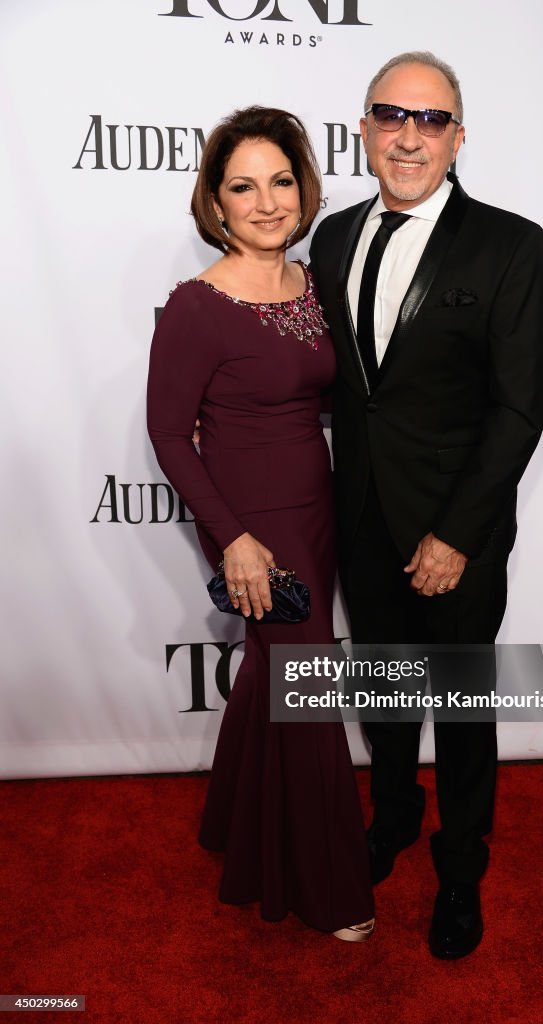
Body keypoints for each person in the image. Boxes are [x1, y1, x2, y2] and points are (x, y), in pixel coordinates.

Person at [309, 52, 543, 959]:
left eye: (431, 119)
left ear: (458, 136)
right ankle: (397, 816)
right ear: (366, 127)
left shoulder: (509, 243)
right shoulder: (331, 237)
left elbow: (519, 405)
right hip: (362, 514)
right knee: (384, 694)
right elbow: (343, 386)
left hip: (460, 528)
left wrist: (457, 532)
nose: (409, 135)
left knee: (457, 706)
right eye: (391, 115)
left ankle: (459, 870)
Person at [147, 106, 374, 941]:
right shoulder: (196, 306)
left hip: (314, 504)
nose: (267, 202)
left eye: (280, 181)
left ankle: (230, 824)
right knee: (307, 683)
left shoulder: (312, 283)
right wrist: (233, 538)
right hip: (249, 522)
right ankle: (329, 889)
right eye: (243, 186)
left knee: (276, 672)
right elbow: (170, 435)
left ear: (301, 187)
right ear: (215, 201)